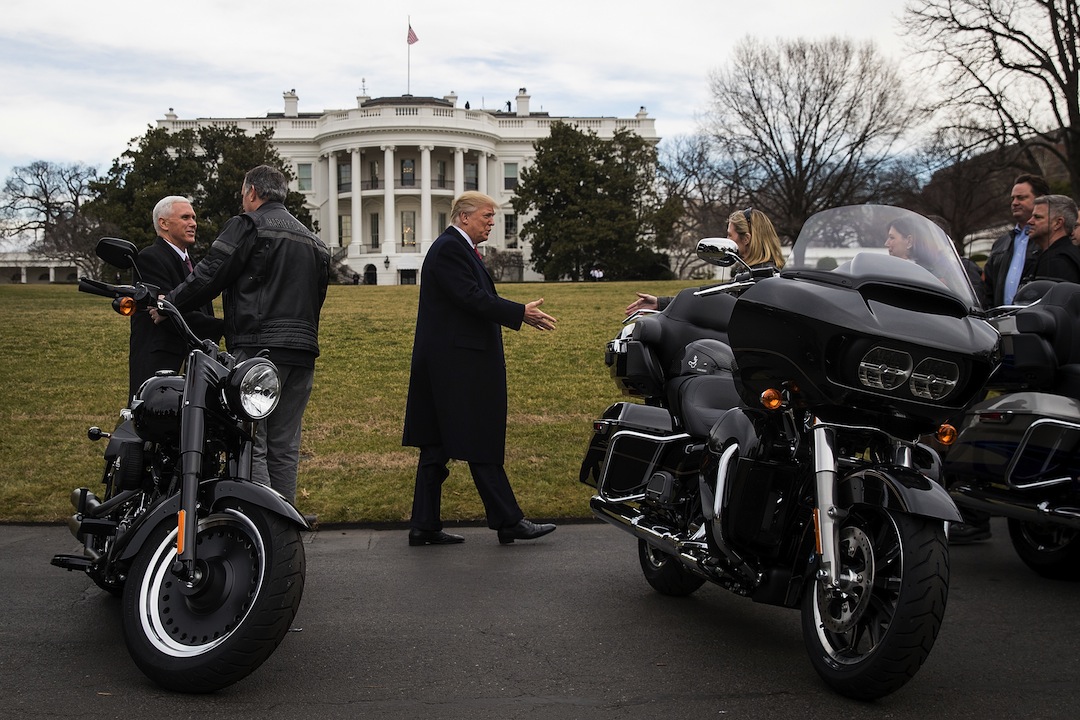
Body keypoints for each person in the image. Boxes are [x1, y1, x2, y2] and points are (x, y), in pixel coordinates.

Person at [162, 165, 330, 504]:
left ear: (252, 192)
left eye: (243, 195)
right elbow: (317, 297)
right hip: (302, 352)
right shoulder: (315, 241)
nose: (242, 201)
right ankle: (285, 527)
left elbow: (211, 273)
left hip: (258, 349)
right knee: (285, 446)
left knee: (250, 441)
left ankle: (261, 522)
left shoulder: (248, 225)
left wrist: (170, 302)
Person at [402, 191, 558, 546]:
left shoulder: (454, 248)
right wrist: (521, 313)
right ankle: (509, 520)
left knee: (436, 447)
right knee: (479, 440)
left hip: (448, 365)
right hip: (457, 368)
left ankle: (424, 526)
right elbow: (471, 298)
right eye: (487, 216)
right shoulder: (449, 249)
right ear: (463, 217)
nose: (491, 222)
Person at [128, 196, 223, 401]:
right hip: (161, 370)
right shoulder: (150, 258)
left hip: (193, 369)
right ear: (163, 223)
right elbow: (172, 316)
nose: (193, 223)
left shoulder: (194, 264)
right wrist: (226, 327)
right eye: (185, 217)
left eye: (194, 218)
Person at [626, 207, 784, 315]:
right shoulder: (754, 273)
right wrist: (660, 303)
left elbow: (711, 302)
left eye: (730, 235)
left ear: (746, 239)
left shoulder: (759, 278)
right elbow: (709, 297)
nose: (726, 239)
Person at [982, 173, 1051, 307]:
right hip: (1001, 322)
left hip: (1039, 320)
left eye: (1021, 198)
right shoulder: (1000, 244)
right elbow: (987, 289)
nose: (1014, 203)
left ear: (1041, 199)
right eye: (1013, 198)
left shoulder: (1049, 240)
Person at [1027, 194, 1080, 284]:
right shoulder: (1070, 252)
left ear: (1058, 223)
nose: (1030, 221)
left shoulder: (1056, 261)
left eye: (1037, 217)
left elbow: (1050, 297)